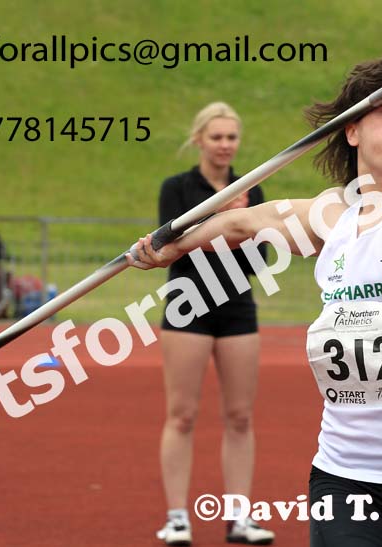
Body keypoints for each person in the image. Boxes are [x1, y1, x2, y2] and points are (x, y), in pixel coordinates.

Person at [128, 50, 382, 547]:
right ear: (353, 129)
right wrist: (172, 246)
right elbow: (249, 220)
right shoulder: (331, 214)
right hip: (344, 473)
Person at [153, 102, 274, 546]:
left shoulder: (251, 190)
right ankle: (178, 517)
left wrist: (240, 221)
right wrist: (225, 220)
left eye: (232, 137)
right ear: (199, 138)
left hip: (237, 307)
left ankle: (239, 518)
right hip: (187, 309)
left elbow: (259, 258)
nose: (225, 145)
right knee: (181, 414)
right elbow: (173, 248)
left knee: (240, 416)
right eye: (217, 137)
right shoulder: (178, 188)